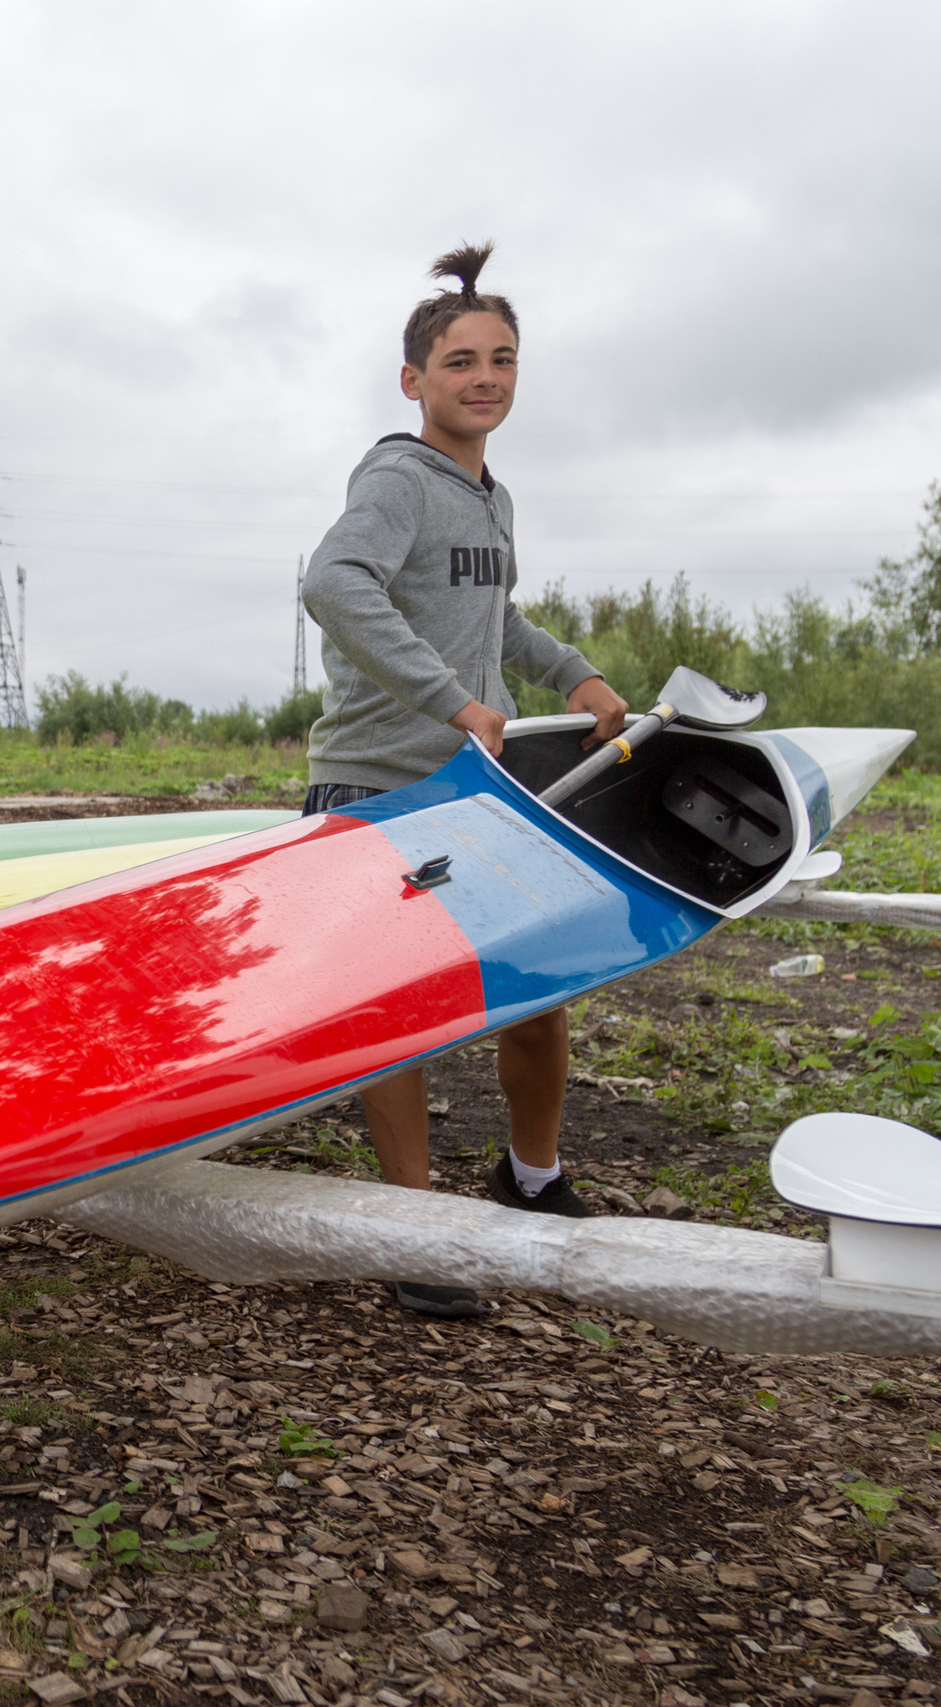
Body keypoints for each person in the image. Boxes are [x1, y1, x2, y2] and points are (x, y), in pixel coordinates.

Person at [299, 243, 632, 1319]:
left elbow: (500, 616)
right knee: (397, 1018)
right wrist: (452, 698)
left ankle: (528, 1177)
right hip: (375, 786)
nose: (482, 377)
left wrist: (573, 675)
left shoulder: (492, 498)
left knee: (537, 994)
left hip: (473, 788)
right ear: (415, 381)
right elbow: (332, 581)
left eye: (501, 359)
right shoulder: (399, 478)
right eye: (458, 362)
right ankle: (415, 1228)